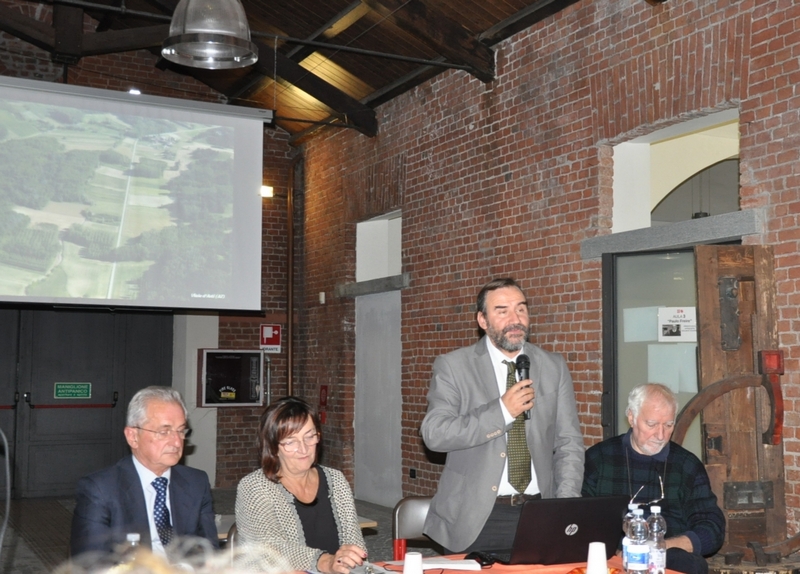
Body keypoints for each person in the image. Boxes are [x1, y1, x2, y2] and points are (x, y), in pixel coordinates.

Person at [420, 277, 585, 553]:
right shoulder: (454, 366)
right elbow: (435, 434)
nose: (515, 318)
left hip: (539, 512)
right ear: (482, 321)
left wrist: (564, 505)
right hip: (476, 518)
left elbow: (568, 443)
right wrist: (502, 411)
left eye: (521, 309)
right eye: (502, 310)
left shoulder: (552, 366)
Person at [581, 383, 725, 574]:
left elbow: (712, 528)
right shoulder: (599, 459)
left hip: (669, 560)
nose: (660, 435)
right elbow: (579, 521)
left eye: (668, 425)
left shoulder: (686, 465)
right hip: (613, 562)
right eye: (651, 424)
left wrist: (660, 547)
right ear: (631, 418)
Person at [70, 386, 218, 557]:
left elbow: (209, 552)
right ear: (133, 436)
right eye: (164, 432)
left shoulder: (196, 483)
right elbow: (89, 564)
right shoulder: (100, 490)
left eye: (180, 431)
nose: (177, 442)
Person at [235, 397, 367, 574]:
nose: (304, 449)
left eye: (310, 436)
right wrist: (325, 562)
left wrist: (350, 558)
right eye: (290, 442)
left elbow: (354, 542)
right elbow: (267, 551)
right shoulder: (255, 487)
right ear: (273, 447)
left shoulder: (335, 480)